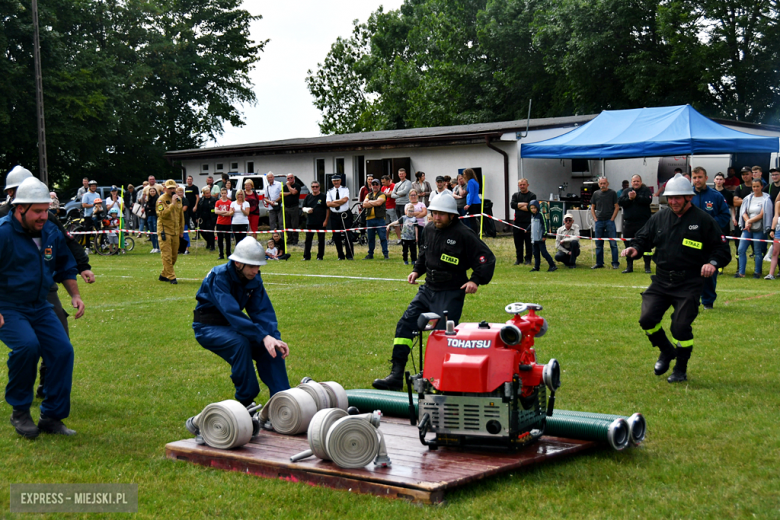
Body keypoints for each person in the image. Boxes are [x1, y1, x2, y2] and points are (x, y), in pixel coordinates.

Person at [372, 193, 496, 390]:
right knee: (405, 325)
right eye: (434, 213)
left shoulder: (464, 234)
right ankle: (396, 375)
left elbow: (486, 259)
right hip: (427, 289)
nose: (436, 218)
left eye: (441, 215)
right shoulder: (429, 229)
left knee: (440, 337)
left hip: (450, 292)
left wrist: (475, 280)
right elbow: (424, 252)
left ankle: (437, 381)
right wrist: (416, 270)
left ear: (452, 216)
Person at [621, 174, 731, 383]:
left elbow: (722, 249)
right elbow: (643, 238)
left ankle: (680, 368)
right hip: (661, 280)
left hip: (689, 283)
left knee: (680, 327)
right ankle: (666, 350)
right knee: (647, 319)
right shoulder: (660, 218)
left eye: (678, 198)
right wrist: (635, 248)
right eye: (670, 198)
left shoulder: (703, 220)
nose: (673, 202)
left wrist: (713, 263)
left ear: (688, 197)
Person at [0, 177, 85, 437]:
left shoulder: (49, 230)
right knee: (27, 347)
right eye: (37, 211)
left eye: (46, 210)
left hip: (40, 305)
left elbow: (64, 262)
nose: (43, 216)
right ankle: (20, 412)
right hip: (10, 306)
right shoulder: (3, 232)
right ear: (19, 209)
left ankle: (52, 417)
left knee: (62, 351)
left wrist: (75, 294)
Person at [192, 237, 291, 406]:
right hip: (208, 327)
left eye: (258, 265)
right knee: (240, 343)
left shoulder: (253, 279)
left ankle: (284, 400)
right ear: (238, 263)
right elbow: (232, 312)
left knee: (270, 347)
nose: (256, 270)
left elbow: (262, 312)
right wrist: (262, 335)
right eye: (252, 265)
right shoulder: (219, 276)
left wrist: (273, 337)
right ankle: (246, 402)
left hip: (233, 325)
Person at [691, 167, 730, 308]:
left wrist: (709, 225)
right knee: (690, 271)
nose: (697, 180)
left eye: (700, 177)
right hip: (690, 240)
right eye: (694, 177)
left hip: (709, 241)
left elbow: (725, 216)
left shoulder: (716, 196)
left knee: (708, 272)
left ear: (706, 178)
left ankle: (708, 302)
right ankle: (691, 300)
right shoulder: (687, 195)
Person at [736, 179, 772, 278]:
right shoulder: (748, 198)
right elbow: (743, 212)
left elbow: (762, 214)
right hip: (747, 228)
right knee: (741, 249)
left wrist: (749, 221)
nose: (755, 188)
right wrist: (747, 221)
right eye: (754, 186)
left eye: (757, 186)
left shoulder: (766, 199)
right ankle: (741, 272)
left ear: (761, 187)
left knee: (757, 251)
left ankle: (757, 272)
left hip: (759, 228)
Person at [619, 174, 653, 274]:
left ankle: (647, 267)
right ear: (631, 182)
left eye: (637, 181)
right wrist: (629, 199)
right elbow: (620, 202)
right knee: (628, 244)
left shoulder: (645, 190)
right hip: (629, 223)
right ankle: (629, 267)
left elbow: (648, 200)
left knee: (646, 245)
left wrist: (636, 197)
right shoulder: (626, 191)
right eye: (634, 181)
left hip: (643, 223)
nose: (636, 183)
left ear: (641, 182)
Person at [156, 179, 185, 284]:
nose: (172, 190)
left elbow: (181, 216)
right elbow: (162, 214)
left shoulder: (179, 199)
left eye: (173, 188)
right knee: (166, 255)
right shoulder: (161, 200)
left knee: (174, 256)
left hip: (175, 231)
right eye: (170, 188)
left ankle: (164, 274)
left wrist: (181, 230)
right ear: (165, 189)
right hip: (165, 231)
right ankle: (172, 277)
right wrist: (172, 203)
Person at [590, 177, 620, 269]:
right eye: (601, 183)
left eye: (604, 183)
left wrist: (612, 218)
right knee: (598, 244)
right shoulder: (595, 194)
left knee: (613, 243)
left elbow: (616, 207)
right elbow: (592, 207)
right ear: (598, 184)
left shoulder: (612, 193)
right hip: (599, 221)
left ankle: (615, 262)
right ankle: (599, 263)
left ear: (608, 183)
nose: (602, 185)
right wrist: (595, 218)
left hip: (609, 221)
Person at [326, 174, 353, 260]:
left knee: (347, 235)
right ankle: (340, 255)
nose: (336, 182)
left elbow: (345, 200)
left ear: (340, 181)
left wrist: (334, 201)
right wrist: (339, 202)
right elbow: (328, 204)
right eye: (334, 181)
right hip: (334, 215)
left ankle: (349, 255)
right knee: (336, 236)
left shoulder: (345, 189)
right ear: (332, 182)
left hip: (344, 214)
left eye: (337, 180)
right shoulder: (329, 191)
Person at [510, 178, 536, 266]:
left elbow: (531, 207)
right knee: (518, 242)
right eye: (520, 185)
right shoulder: (515, 195)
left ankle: (528, 259)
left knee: (528, 243)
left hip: (528, 223)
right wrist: (525, 204)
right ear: (518, 186)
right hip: (517, 223)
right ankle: (519, 259)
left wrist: (518, 205)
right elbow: (512, 205)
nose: (522, 186)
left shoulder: (532, 195)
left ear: (527, 185)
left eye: (524, 184)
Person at [301, 180, 329, 261]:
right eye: (313, 187)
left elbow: (328, 209)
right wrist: (307, 210)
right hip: (310, 222)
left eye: (316, 187)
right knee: (308, 240)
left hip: (321, 222)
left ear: (319, 187)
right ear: (311, 188)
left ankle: (320, 256)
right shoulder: (308, 197)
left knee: (321, 240)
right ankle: (306, 256)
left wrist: (326, 220)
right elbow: (303, 208)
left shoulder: (324, 196)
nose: (315, 188)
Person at [362, 178, 388, 260]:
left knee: (382, 237)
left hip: (379, 219)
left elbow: (379, 202)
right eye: (373, 184)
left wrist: (369, 202)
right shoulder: (368, 195)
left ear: (380, 185)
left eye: (377, 184)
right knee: (370, 238)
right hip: (369, 219)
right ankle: (370, 254)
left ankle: (385, 254)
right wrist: (374, 202)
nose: (375, 186)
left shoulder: (382, 194)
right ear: (371, 186)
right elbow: (364, 205)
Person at [528, 200, 557, 272]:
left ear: (537, 207)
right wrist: (527, 229)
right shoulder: (532, 216)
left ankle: (552, 265)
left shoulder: (540, 215)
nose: (533, 209)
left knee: (544, 253)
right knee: (536, 253)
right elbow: (532, 224)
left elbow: (545, 225)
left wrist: (544, 235)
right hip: (534, 238)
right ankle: (536, 267)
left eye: (534, 208)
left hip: (540, 238)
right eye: (531, 208)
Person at [391, 168, 412, 243]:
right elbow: (392, 195)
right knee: (399, 222)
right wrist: (398, 195)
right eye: (400, 174)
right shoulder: (396, 184)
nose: (401, 175)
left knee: (405, 222)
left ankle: (407, 237)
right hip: (397, 204)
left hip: (405, 204)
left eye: (402, 174)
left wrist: (396, 193)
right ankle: (401, 238)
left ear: (405, 174)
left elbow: (405, 191)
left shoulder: (408, 182)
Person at [282, 173, 303, 245]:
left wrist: (288, 186)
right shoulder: (284, 186)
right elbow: (281, 194)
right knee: (288, 224)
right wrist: (289, 192)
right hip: (286, 207)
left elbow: (294, 192)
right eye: (288, 178)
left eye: (291, 178)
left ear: (293, 178)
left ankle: (295, 240)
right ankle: (289, 239)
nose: (290, 179)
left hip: (294, 207)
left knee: (294, 224)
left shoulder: (297, 186)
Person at [81, 180, 100, 250]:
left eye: (94, 186)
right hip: (88, 215)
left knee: (99, 230)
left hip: (96, 214)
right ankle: (87, 247)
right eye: (92, 186)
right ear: (89, 187)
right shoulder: (86, 195)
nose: (93, 187)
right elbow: (84, 205)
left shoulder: (97, 195)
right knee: (88, 231)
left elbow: (99, 203)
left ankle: (100, 245)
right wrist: (93, 205)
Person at [214, 187, 233, 259]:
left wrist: (221, 213)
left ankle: (228, 254)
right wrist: (225, 212)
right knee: (220, 240)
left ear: (227, 194)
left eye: (225, 193)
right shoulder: (218, 202)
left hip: (227, 223)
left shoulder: (230, 202)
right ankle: (221, 254)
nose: (224, 195)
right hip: (220, 222)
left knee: (228, 240)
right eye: (222, 193)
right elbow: (216, 211)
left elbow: (230, 213)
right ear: (220, 194)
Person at [408, 189, 427, 256]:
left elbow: (424, 213)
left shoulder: (421, 204)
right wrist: (419, 212)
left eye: (414, 195)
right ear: (409, 196)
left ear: (417, 195)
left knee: (421, 242)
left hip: (420, 225)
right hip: (411, 226)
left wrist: (413, 214)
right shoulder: (407, 205)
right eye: (412, 195)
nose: (413, 196)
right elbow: (407, 214)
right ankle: (414, 257)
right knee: (412, 243)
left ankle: (421, 255)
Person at [462, 168, 482, 233]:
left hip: (473, 203)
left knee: (472, 220)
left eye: (465, 174)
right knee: (475, 219)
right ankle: (477, 231)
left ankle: (474, 232)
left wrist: (469, 204)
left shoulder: (470, 182)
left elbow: (471, 193)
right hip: (477, 201)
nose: (464, 176)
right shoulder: (475, 181)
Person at [197, 186, 216, 251]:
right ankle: (208, 242)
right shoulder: (201, 200)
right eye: (207, 193)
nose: (208, 194)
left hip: (210, 219)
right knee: (202, 232)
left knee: (210, 232)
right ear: (204, 194)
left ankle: (212, 246)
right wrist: (197, 217)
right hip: (202, 219)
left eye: (209, 193)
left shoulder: (213, 200)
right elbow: (198, 209)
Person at [766, 195, 780, 279]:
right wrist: (772, 229)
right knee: (775, 252)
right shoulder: (778, 203)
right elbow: (776, 217)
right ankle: (771, 274)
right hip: (779, 230)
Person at [380, 175, 398, 241]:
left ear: (388, 181)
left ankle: (399, 238)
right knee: (386, 224)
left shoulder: (393, 186)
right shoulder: (383, 187)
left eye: (384, 182)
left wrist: (384, 194)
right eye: (382, 182)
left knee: (395, 223)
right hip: (385, 207)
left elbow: (392, 194)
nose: (383, 184)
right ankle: (386, 239)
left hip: (392, 207)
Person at [145, 186, 160, 253]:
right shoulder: (149, 199)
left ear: (155, 192)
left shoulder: (157, 198)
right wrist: (149, 208)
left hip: (155, 216)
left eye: (153, 191)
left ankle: (158, 247)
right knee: (151, 233)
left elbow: (156, 208)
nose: (152, 192)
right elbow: (146, 208)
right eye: (151, 191)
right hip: (149, 216)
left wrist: (150, 208)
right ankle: (154, 247)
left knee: (156, 232)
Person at [177, 186, 191, 255]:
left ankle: (187, 249)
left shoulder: (185, 200)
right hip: (176, 220)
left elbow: (184, 209)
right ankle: (180, 249)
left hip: (184, 219)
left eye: (181, 192)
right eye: (178, 192)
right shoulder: (176, 200)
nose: (180, 193)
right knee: (178, 235)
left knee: (185, 235)